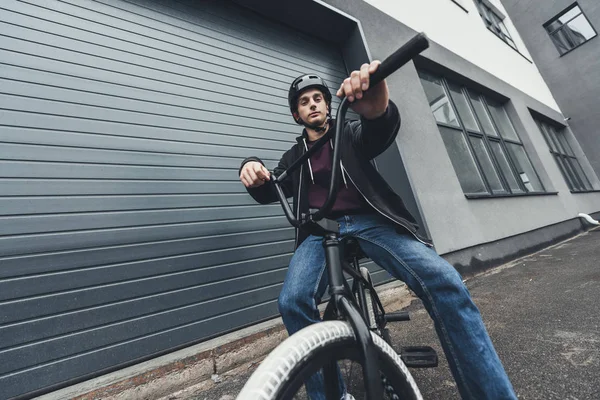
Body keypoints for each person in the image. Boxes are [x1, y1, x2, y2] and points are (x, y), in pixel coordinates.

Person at [238, 62, 517, 400]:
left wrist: (377, 110)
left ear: (327, 104)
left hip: (370, 220)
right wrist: (252, 168)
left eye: (317, 98)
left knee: (443, 280)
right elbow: (272, 187)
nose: (312, 104)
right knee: (293, 300)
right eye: (304, 101)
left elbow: (378, 130)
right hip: (319, 230)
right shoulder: (294, 156)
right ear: (297, 114)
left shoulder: (350, 132)